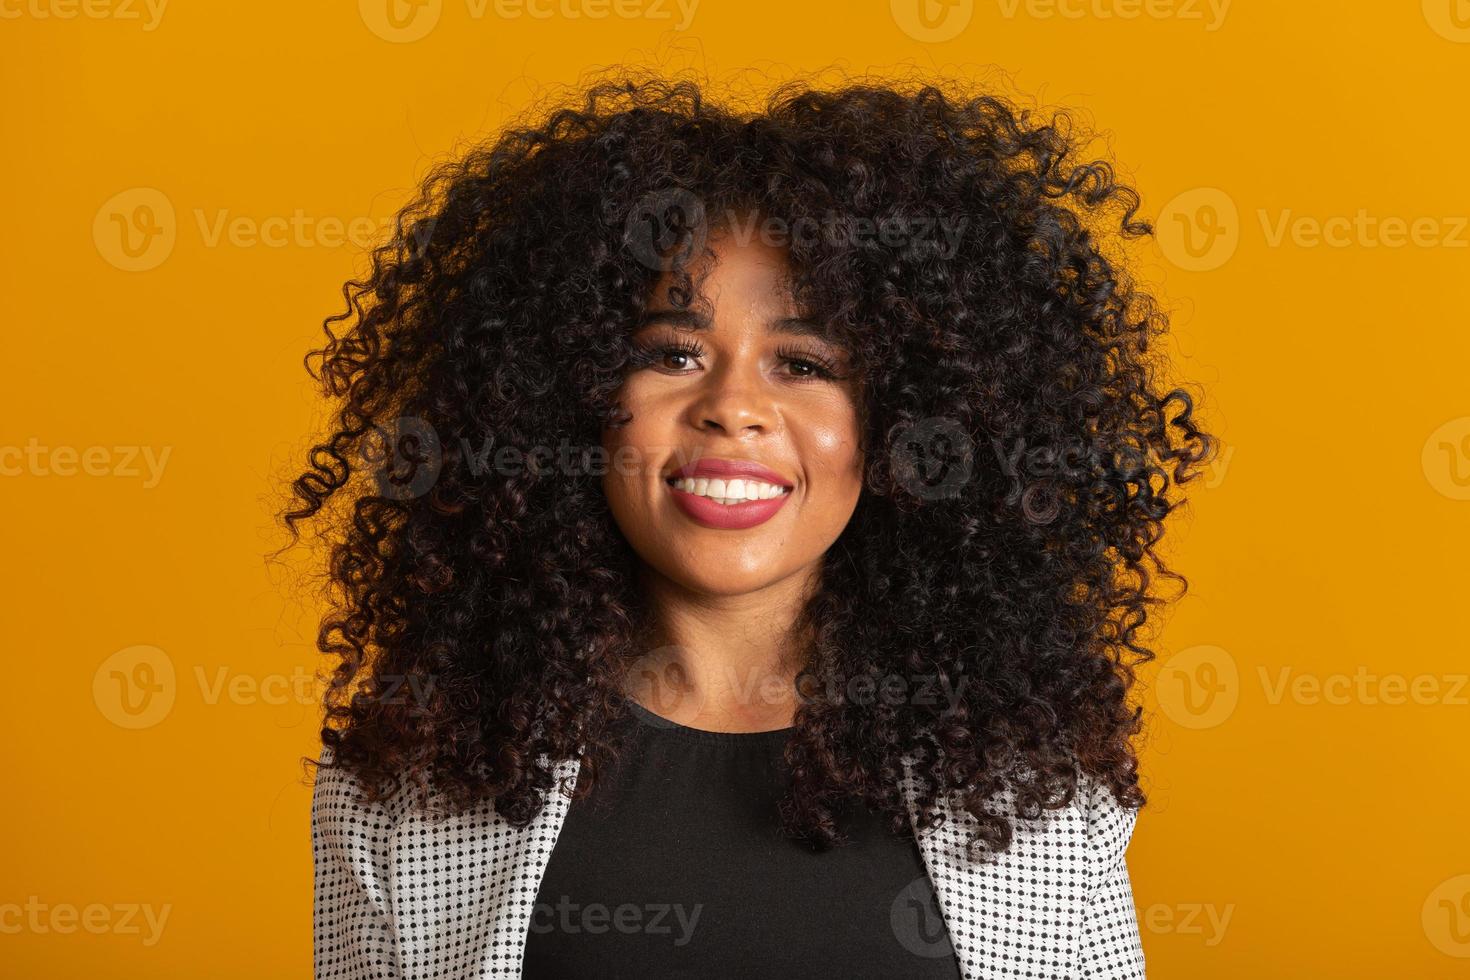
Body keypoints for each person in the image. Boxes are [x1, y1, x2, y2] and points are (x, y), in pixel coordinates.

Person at [284, 68, 1215, 979]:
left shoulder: (1033, 784)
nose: (733, 407)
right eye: (673, 353)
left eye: (804, 363)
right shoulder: (409, 782)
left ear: (904, 424)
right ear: (561, 397)